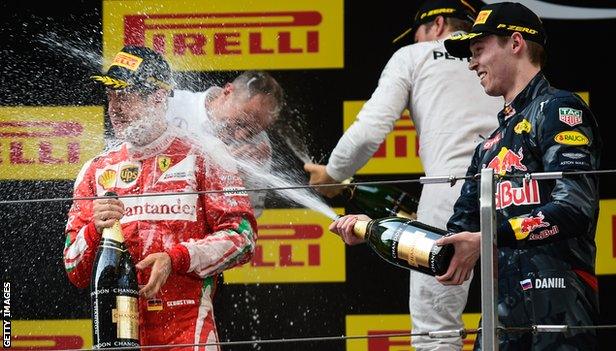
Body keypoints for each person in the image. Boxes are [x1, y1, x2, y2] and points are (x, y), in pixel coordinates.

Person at [309, 0, 502, 349]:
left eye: (416, 35)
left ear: (437, 24)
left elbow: (370, 130)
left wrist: (334, 173)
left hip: (449, 191)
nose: (415, 42)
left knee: (436, 330)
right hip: (514, 190)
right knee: (517, 320)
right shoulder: (497, 55)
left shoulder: (413, 57)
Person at [63, 45, 257, 349]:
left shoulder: (205, 155)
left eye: (125, 95)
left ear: (157, 98)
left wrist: (175, 259)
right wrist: (93, 231)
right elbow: (75, 269)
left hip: (187, 330)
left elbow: (242, 239)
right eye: (111, 95)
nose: (114, 107)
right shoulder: (95, 170)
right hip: (118, 332)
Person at [437, 2, 601, 349]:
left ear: (515, 43)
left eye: (479, 50)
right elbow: (454, 241)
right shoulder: (487, 148)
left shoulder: (559, 109)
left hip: (559, 308)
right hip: (501, 319)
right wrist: (374, 226)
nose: (471, 63)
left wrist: (489, 238)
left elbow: (575, 207)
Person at [166, 70, 284, 218]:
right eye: (241, 123)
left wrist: (239, 181)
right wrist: (218, 168)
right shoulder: (171, 106)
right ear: (227, 91)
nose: (241, 135)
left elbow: (248, 216)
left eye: (254, 131)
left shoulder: (259, 144)